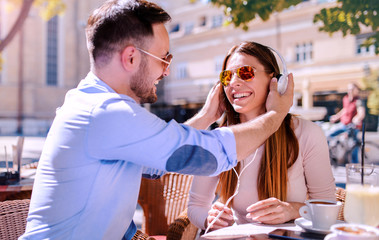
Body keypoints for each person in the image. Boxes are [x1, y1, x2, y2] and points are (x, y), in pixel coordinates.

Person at [20, 1, 294, 239]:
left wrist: (208, 116)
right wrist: (276, 114)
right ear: (131, 57)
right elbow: (209, 154)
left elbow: (153, 164)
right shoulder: (108, 113)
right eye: (163, 59)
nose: (167, 70)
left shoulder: (92, 102)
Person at [187, 41, 335, 231]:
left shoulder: (307, 133)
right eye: (226, 76)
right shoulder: (219, 140)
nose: (233, 83)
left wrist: (293, 210)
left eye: (246, 73)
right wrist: (209, 218)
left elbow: (328, 207)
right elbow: (196, 206)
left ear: (276, 81)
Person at [328, 83, 366, 163]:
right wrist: (336, 117)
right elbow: (345, 110)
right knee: (328, 135)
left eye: (352, 89)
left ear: (356, 91)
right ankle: (328, 156)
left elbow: (361, 113)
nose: (350, 91)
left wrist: (356, 118)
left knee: (353, 146)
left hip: (352, 126)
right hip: (343, 124)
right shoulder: (345, 98)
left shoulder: (358, 101)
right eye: (349, 89)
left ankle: (354, 166)